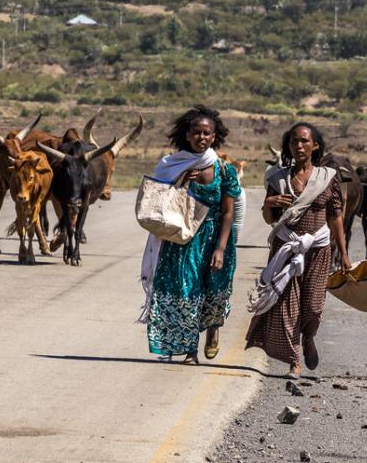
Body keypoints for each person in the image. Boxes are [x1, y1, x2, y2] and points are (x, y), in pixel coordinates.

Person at [246, 122, 351, 379]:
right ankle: (294, 361)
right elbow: (270, 219)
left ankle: (309, 337)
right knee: (288, 307)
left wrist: (344, 254)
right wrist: (269, 202)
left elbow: (336, 216)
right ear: (288, 146)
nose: (299, 145)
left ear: (315, 145)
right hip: (287, 247)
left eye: (304, 141)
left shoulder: (327, 178)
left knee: (313, 307)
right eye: (294, 141)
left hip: (318, 249)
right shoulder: (277, 179)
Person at [140, 105, 243, 364]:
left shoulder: (224, 170)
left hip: (216, 239)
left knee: (214, 290)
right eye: (196, 132)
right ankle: (190, 351)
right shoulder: (172, 165)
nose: (201, 137)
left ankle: (213, 331)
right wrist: (182, 179)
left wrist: (220, 248)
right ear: (187, 135)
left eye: (207, 133)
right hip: (183, 240)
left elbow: (228, 213)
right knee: (186, 292)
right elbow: (159, 197)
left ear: (214, 136)